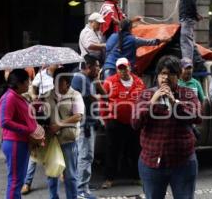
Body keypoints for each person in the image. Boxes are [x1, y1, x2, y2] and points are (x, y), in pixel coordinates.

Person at [132, 55, 201, 199]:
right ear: (157, 75)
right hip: (151, 162)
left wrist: (174, 102)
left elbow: (197, 117)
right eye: (163, 73)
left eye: (171, 74)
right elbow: (135, 123)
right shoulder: (146, 95)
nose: (166, 78)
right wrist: (152, 102)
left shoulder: (187, 94)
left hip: (183, 162)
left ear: (178, 76)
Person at [100, 57, 146, 189]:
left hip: (134, 122)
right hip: (115, 122)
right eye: (120, 69)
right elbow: (102, 101)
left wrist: (143, 118)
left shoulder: (139, 82)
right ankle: (109, 178)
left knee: (136, 150)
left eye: (125, 68)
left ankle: (137, 177)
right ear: (116, 70)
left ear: (129, 67)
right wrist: (105, 119)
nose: (123, 71)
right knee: (112, 151)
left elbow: (144, 101)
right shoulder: (109, 82)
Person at [0, 69, 44, 199]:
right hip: (14, 143)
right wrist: (28, 130)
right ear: (19, 83)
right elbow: (4, 121)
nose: (29, 84)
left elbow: (22, 114)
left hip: (21, 143)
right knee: (15, 181)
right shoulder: (9, 97)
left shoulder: (18, 96)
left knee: (18, 180)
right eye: (27, 81)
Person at [46, 67, 85, 199]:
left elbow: (78, 116)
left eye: (59, 82)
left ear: (67, 82)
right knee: (52, 173)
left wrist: (59, 125)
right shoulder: (48, 94)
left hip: (68, 139)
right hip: (52, 140)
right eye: (54, 81)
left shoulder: (75, 95)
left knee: (70, 176)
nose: (56, 85)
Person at [71, 54, 106, 199]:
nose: (99, 68)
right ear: (89, 67)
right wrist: (101, 94)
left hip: (89, 123)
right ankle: (80, 190)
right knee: (85, 156)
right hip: (84, 125)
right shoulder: (80, 77)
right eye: (97, 66)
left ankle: (83, 185)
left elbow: (104, 95)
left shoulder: (90, 79)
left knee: (86, 156)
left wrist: (98, 83)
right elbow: (93, 98)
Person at [21, 64, 58, 195]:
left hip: (52, 125)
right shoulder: (40, 76)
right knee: (34, 156)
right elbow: (33, 90)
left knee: (54, 153)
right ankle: (27, 182)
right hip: (39, 125)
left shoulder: (55, 76)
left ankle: (60, 176)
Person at [102, 19, 170, 80]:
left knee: (109, 92)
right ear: (130, 28)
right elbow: (150, 42)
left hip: (109, 68)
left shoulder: (112, 36)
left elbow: (107, 49)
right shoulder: (133, 40)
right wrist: (163, 40)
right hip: (123, 71)